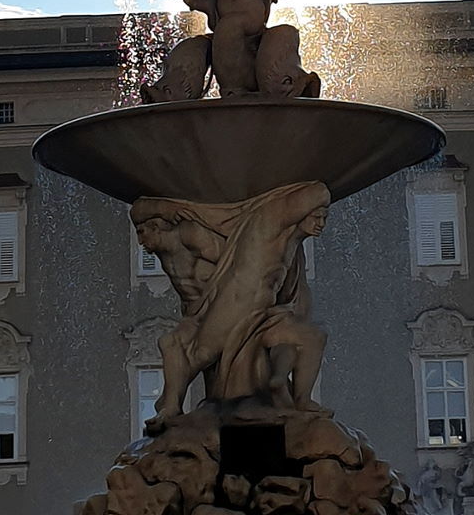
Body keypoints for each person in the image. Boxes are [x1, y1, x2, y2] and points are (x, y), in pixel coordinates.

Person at [131, 181, 330, 430]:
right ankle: (171, 406)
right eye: (317, 216)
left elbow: (224, 252)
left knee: (312, 336)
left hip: (254, 309)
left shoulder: (285, 242)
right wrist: (166, 205)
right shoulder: (266, 226)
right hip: (228, 306)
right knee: (191, 352)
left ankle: (299, 399)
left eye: (324, 216)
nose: (322, 223)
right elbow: (139, 208)